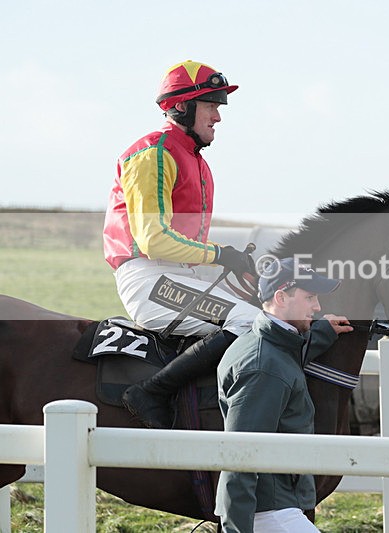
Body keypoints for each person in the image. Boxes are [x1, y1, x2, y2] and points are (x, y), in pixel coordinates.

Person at [103, 60, 260, 429]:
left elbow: (183, 243)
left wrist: (231, 261)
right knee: (249, 321)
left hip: (180, 277)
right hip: (149, 280)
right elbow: (154, 240)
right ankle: (150, 392)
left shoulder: (195, 161)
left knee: (268, 311)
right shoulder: (153, 153)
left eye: (219, 106)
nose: (218, 117)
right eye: (211, 106)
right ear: (182, 107)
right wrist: (221, 255)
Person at [215, 258, 353, 533]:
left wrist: (322, 333)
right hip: (268, 513)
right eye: (310, 297)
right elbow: (239, 458)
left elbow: (288, 356)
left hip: (273, 507)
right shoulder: (263, 367)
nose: (317, 306)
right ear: (281, 298)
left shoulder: (268, 346)